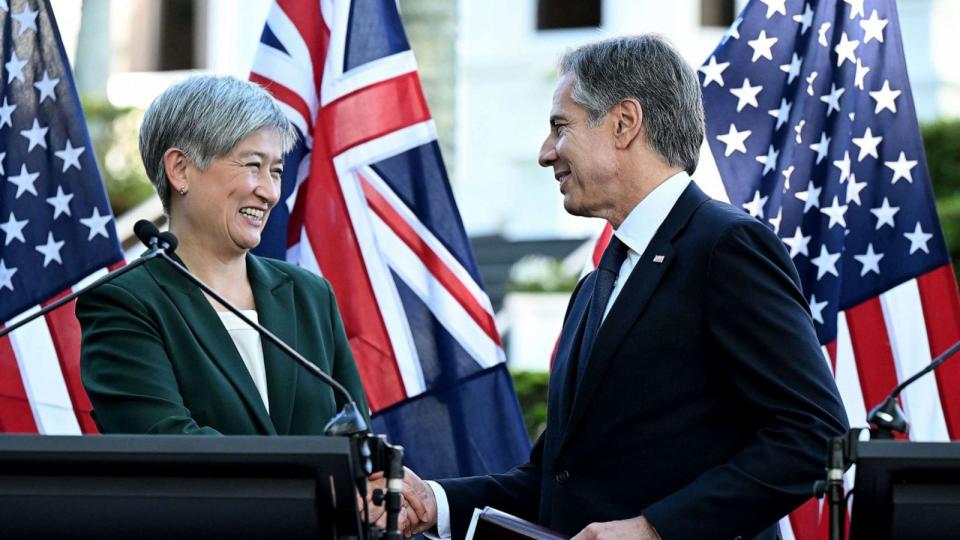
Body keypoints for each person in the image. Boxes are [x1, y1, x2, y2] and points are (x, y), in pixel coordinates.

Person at [396, 35, 849, 539]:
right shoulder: (593, 288)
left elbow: (813, 435)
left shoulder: (725, 247)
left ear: (624, 123)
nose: (547, 154)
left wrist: (656, 530)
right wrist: (432, 502)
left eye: (560, 127)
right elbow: (557, 483)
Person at [77, 76, 369, 435]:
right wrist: (315, 475)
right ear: (180, 169)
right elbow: (166, 448)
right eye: (252, 165)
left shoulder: (311, 295)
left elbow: (360, 447)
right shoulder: (123, 302)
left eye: (276, 171)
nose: (270, 191)